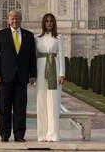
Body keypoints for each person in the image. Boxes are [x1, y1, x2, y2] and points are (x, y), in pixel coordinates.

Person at [0, 10, 37, 142]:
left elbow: (32, 57)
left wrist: (33, 74)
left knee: (20, 108)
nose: (15, 21)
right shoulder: (1, 34)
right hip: (5, 77)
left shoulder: (28, 35)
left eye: (17, 18)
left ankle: (19, 135)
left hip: (22, 78)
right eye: (12, 19)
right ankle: (4, 135)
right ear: (8, 20)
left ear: (21, 19)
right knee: (4, 108)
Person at [35, 13, 65, 142]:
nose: (49, 23)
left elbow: (61, 56)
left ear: (54, 23)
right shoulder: (37, 38)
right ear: (43, 23)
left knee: (53, 103)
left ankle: (53, 135)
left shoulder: (58, 38)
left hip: (54, 69)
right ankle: (42, 135)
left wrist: (61, 74)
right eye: (47, 21)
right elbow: (34, 57)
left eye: (51, 21)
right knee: (41, 103)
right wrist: (33, 75)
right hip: (40, 70)